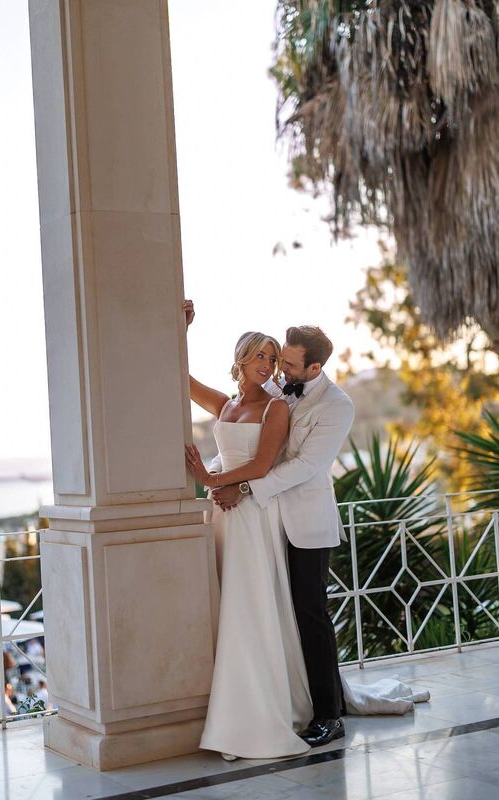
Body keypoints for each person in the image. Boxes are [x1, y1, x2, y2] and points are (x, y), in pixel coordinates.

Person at [183, 300, 429, 759]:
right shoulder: (276, 387)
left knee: (311, 615)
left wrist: (229, 484)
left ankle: (328, 715)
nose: (278, 368)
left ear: (312, 366)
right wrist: (178, 333)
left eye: (286, 362)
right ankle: (288, 696)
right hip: (259, 517)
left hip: (304, 522)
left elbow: (302, 466)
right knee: (273, 610)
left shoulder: (337, 405)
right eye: (274, 359)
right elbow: (214, 400)